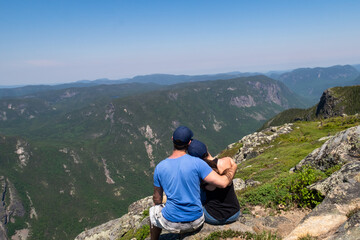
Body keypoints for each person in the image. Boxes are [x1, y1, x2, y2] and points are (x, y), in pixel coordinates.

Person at [150, 126, 237, 240]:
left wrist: (161, 206)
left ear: (172, 139)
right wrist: (233, 167)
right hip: (196, 221)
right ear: (189, 142)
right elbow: (223, 183)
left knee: (153, 212)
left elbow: (157, 198)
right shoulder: (198, 163)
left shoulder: (160, 167)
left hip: (171, 223)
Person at [188, 139, 240, 225]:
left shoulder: (200, 174)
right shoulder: (227, 160)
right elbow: (233, 163)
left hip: (213, 217)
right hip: (234, 213)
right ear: (207, 148)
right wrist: (234, 167)